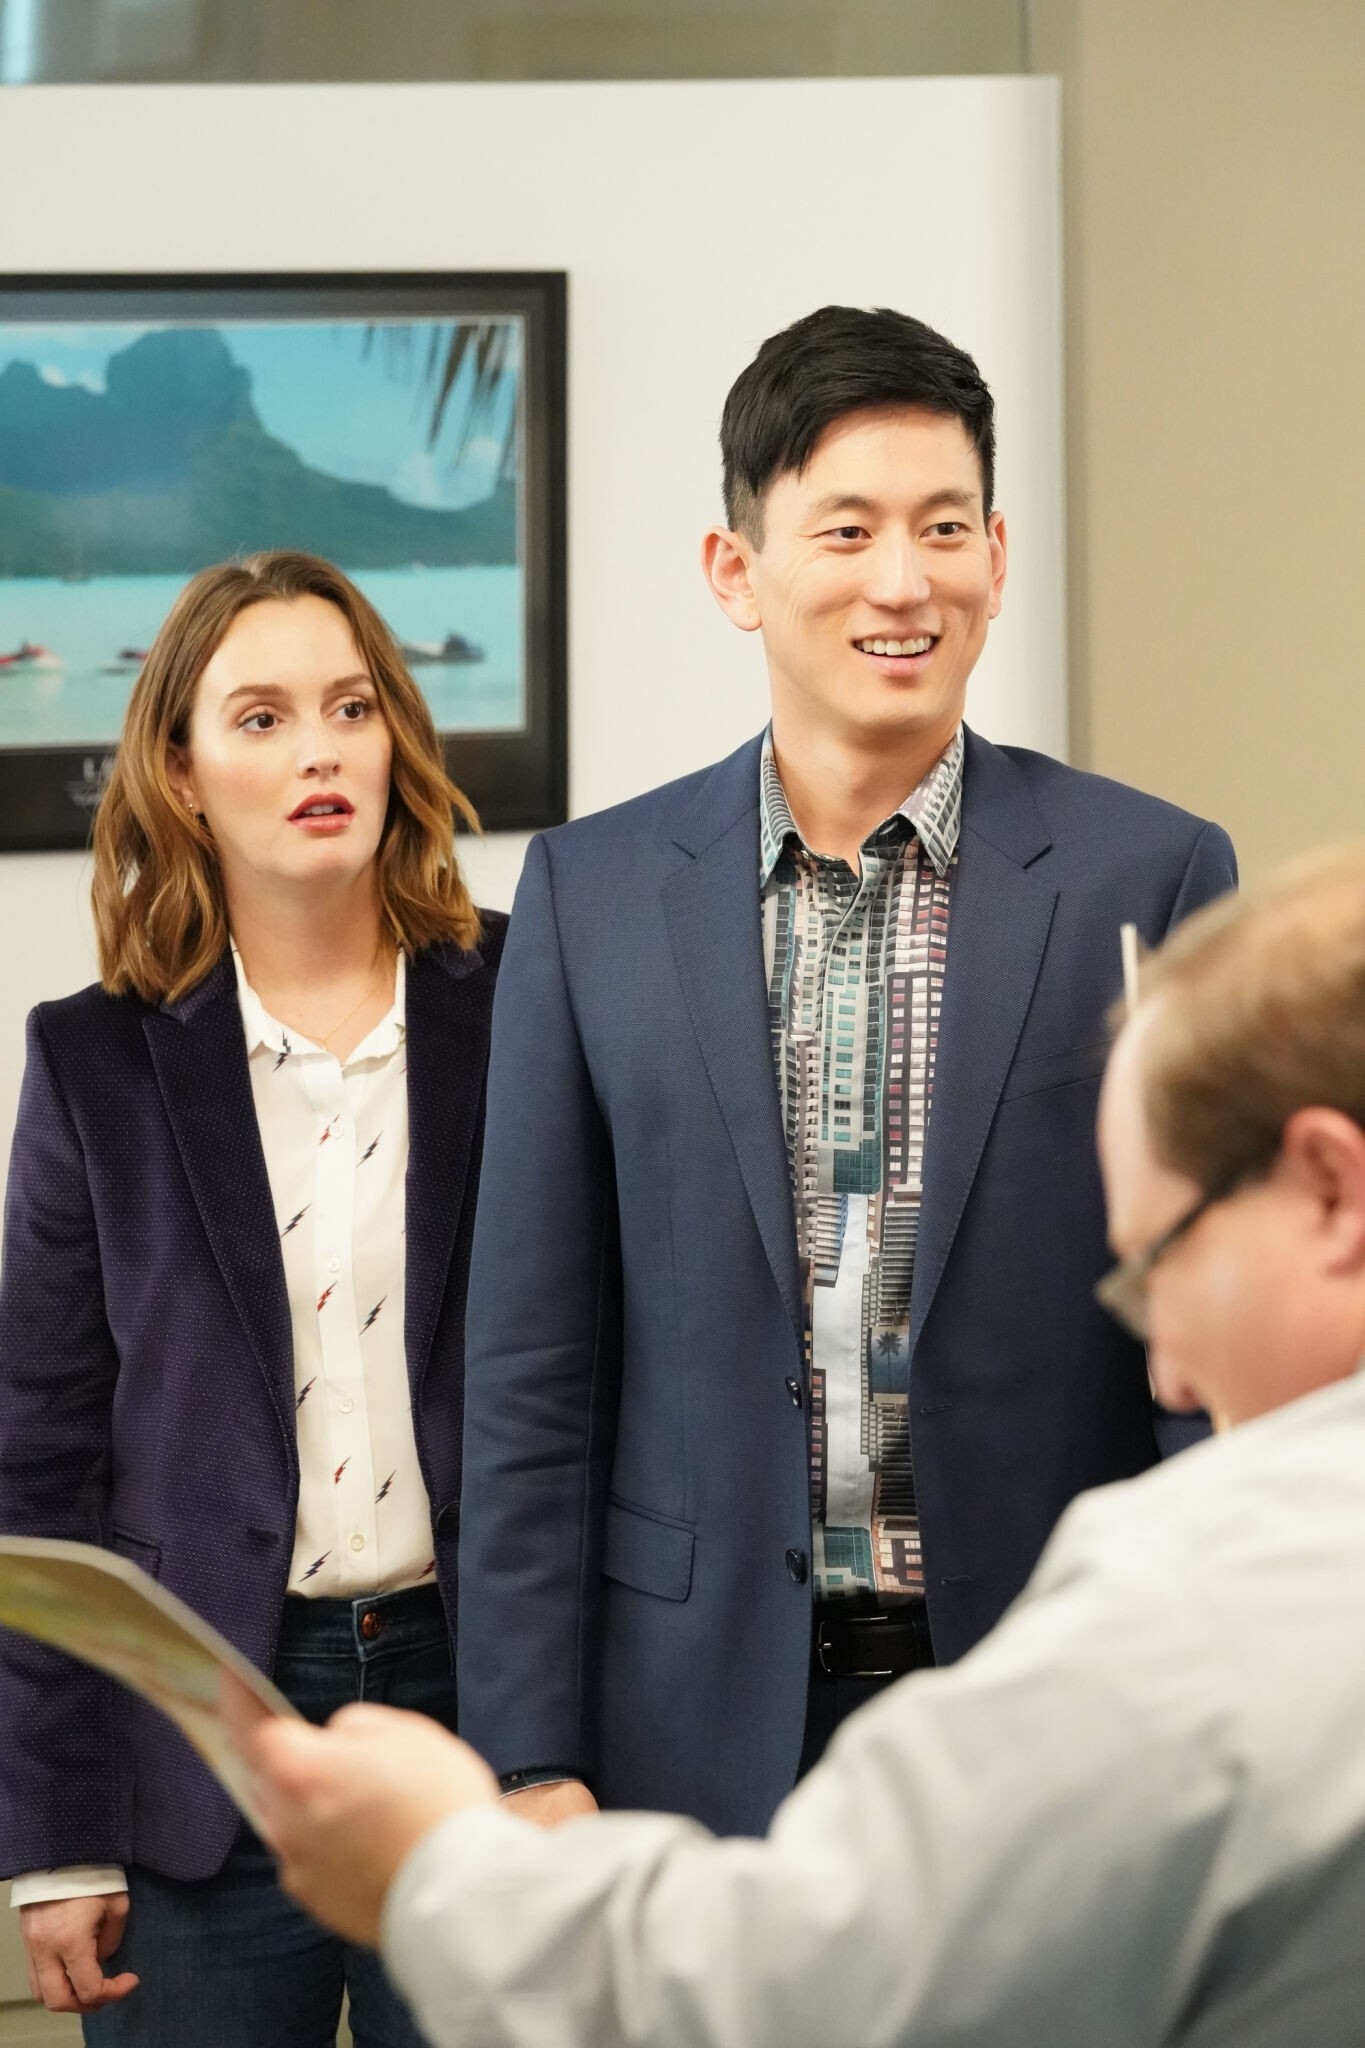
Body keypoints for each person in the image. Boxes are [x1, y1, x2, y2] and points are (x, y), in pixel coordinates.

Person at [248, 836, 1365, 2048]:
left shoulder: (1214, 1597)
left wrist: (435, 1868)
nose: (1172, 1368)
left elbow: (798, 1982)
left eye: (1157, 1263)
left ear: (1328, 1188)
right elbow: (538, 1370)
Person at [456, 304, 1237, 1836]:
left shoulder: (1148, 876)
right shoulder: (592, 895)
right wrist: (528, 1755)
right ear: (734, 570)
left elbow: (1215, 1342)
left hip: (1061, 1703)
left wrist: (1223, 1705)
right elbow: (533, 1371)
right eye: (847, 530)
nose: (903, 581)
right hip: (692, 1714)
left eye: (944, 527)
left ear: (996, 556)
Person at [0, 550, 506, 2046]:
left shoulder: (526, 1002)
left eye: (351, 708)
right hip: (194, 1738)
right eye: (263, 717)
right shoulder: (93, 1062)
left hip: (478, 1704)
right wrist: (57, 1836)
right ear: (181, 769)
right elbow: (38, 1462)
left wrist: (569, 1743)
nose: (319, 752)